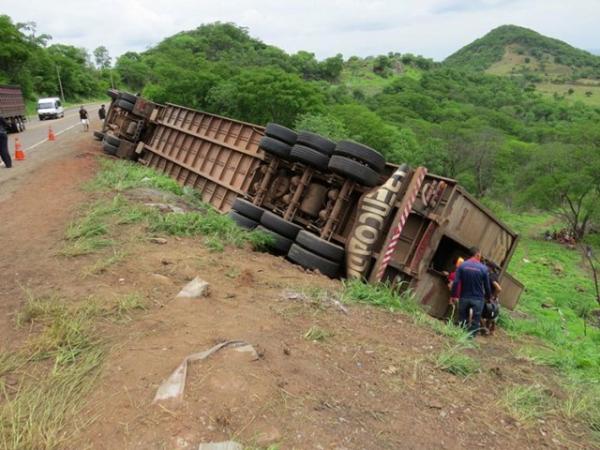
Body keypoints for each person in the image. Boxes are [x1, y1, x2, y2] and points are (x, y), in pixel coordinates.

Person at [450, 246, 491, 337]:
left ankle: (459, 337)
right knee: (475, 321)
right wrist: (488, 297)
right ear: (477, 254)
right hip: (478, 299)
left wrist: (453, 296)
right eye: (480, 254)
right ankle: (469, 340)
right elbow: (487, 286)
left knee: (462, 319)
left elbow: (456, 282)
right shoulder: (483, 268)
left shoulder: (462, 266)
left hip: (464, 297)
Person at [481, 261, 502, 335]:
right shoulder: (495, 275)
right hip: (494, 298)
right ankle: (491, 330)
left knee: (482, 312)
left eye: (486, 266)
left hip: (490, 297)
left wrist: (492, 296)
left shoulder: (490, 277)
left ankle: (485, 329)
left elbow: (498, 288)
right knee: (492, 313)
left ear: (489, 267)